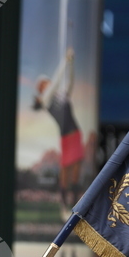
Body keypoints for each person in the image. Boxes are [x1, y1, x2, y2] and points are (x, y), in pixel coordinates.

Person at [33, 48, 84, 210]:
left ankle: (76, 204)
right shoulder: (46, 100)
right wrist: (64, 60)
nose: (46, 84)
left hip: (75, 133)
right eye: (43, 84)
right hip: (65, 138)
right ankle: (63, 204)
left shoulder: (61, 95)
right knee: (65, 171)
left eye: (46, 82)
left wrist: (71, 62)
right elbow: (56, 81)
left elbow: (70, 81)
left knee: (76, 170)